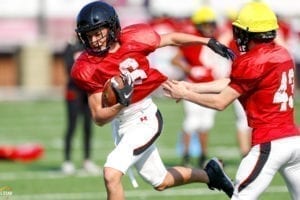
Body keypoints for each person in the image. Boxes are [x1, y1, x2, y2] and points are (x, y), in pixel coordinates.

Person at [71, 1, 235, 199]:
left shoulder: (134, 39)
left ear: (112, 27)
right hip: (122, 123)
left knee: (111, 173)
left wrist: (207, 42)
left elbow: (172, 38)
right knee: (161, 180)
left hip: (144, 118)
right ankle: (211, 174)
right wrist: (120, 103)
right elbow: (98, 117)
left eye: (98, 33)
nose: (94, 40)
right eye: (89, 35)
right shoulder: (88, 66)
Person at [163, 2, 300, 199]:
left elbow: (220, 102)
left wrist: (185, 94)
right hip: (294, 141)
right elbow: (232, 82)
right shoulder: (281, 54)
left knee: (239, 197)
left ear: (248, 33)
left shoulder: (252, 62)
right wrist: (191, 87)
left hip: (270, 143)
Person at [171, 6, 221, 168]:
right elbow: (175, 59)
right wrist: (190, 69)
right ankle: (185, 157)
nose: (209, 28)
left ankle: (202, 156)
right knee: (191, 123)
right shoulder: (193, 40)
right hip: (192, 86)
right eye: (205, 24)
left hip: (210, 87)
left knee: (205, 124)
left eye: (210, 24)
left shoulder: (216, 39)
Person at [61, 37, 101, 175]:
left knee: (88, 126)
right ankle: (67, 161)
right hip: (74, 90)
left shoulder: (91, 47)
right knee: (72, 126)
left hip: (87, 90)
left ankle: (87, 160)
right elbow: (68, 68)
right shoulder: (71, 46)